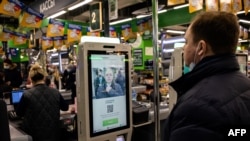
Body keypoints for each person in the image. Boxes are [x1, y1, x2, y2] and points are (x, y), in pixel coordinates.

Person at [162, 11, 250, 141]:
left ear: (201, 48)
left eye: (186, 42)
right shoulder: (245, 84)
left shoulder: (195, 108)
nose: (184, 48)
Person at [16, 64, 69, 141]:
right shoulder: (55, 92)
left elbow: (19, 113)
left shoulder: (27, 94)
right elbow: (65, 107)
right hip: (54, 134)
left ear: (31, 79)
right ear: (44, 77)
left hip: (34, 135)